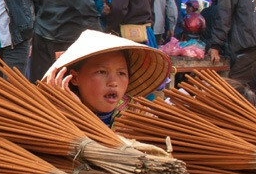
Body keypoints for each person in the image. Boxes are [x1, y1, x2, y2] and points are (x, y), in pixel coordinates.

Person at [42, 30, 171, 126]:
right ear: (75, 78)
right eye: (102, 72)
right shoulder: (60, 114)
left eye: (121, 73)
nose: (113, 82)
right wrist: (78, 112)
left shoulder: (136, 111)